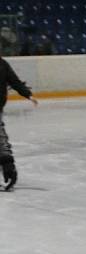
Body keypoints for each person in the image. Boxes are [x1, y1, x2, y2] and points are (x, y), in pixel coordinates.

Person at [0, 56, 38, 190]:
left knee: (1, 139)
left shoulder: (3, 64)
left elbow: (14, 81)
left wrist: (27, 94)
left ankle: (8, 168)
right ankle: (8, 167)